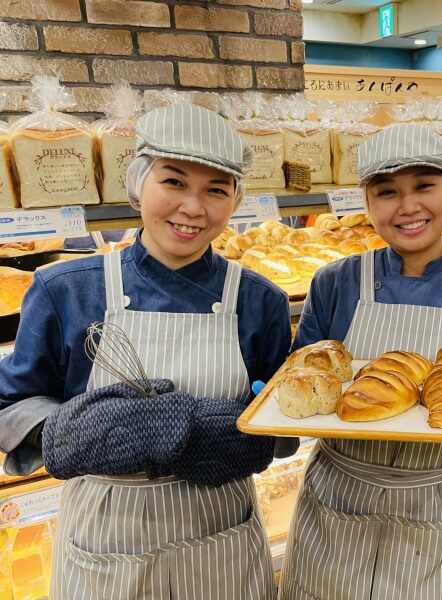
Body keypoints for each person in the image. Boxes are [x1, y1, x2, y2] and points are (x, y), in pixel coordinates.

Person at [0, 104, 293, 599]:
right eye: (174, 182)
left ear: (235, 200)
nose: (193, 208)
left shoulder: (261, 301)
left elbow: (283, 423)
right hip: (107, 538)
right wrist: (72, 430)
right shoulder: (65, 289)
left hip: (220, 535)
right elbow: (12, 406)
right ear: (138, 183)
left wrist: (253, 436)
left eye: (215, 190)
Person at [278, 124, 442, 600]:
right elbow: (307, 382)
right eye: (387, 192)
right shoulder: (334, 283)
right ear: (366, 204)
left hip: (434, 501)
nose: (408, 207)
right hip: (337, 497)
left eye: (425, 187)